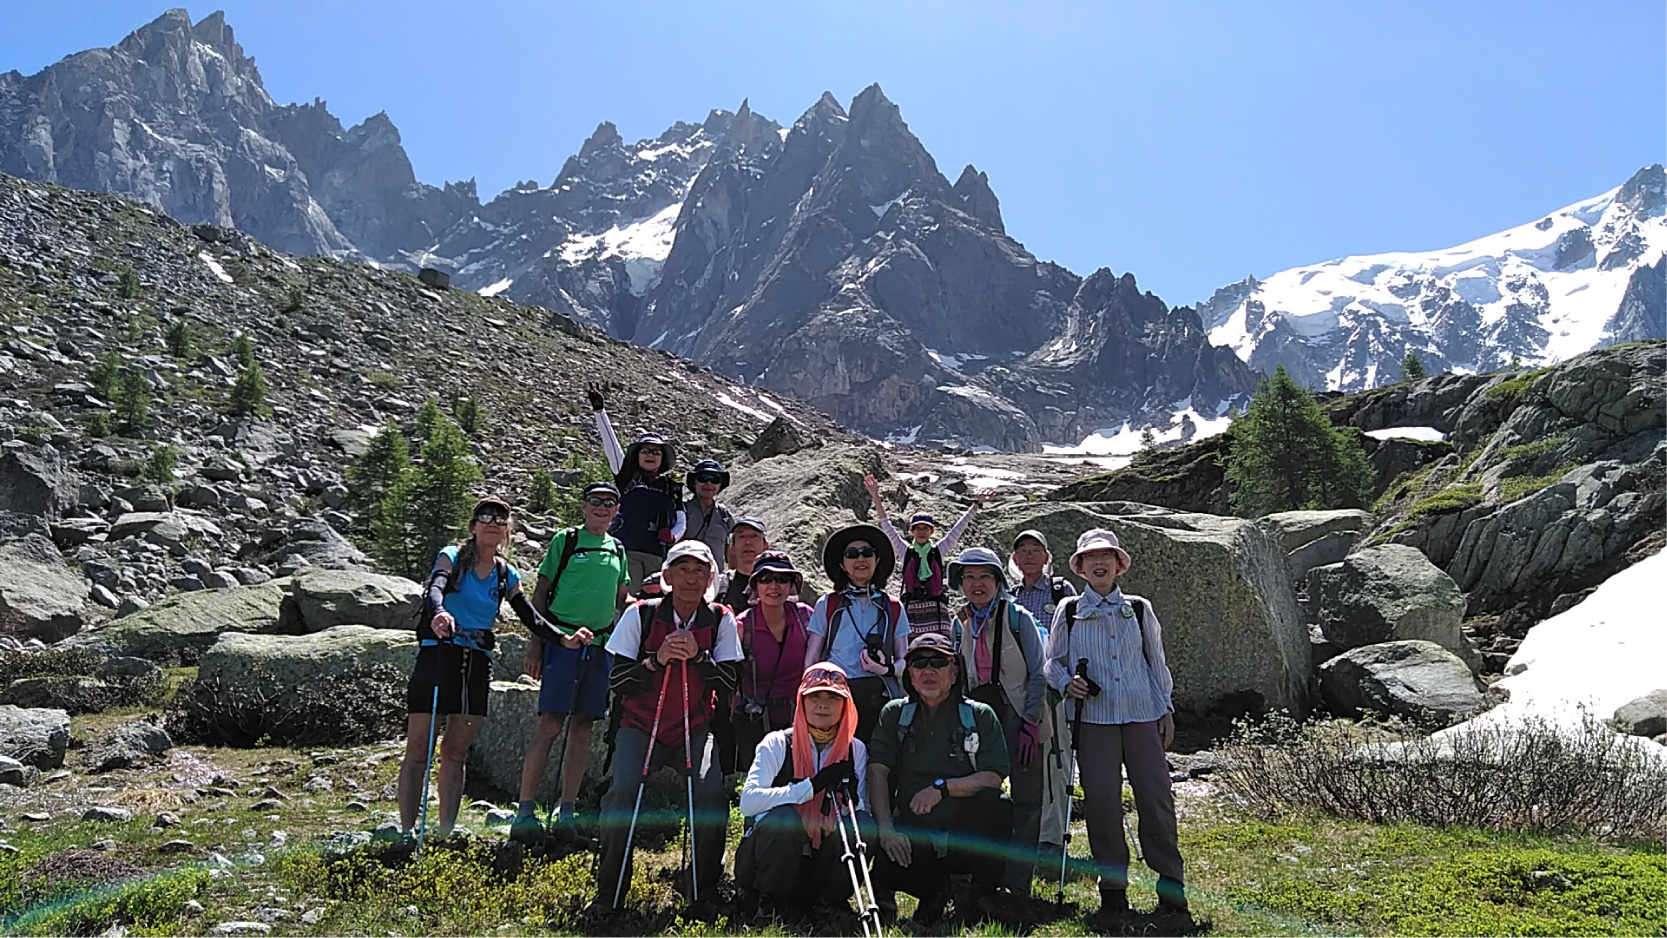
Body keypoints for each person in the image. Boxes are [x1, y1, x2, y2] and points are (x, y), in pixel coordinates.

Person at [398, 496, 573, 841]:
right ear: (473, 526)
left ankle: (445, 832)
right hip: (440, 653)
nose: (493, 522)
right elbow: (436, 587)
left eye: (500, 518)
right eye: (485, 516)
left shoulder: (505, 573)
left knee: (456, 751)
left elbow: (528, 615)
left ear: (507, 530)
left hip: (476, 661)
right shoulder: (452, 557)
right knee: (420, 748)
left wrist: (562, 638)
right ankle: (406, 831)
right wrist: (439, 613)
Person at [1043, 529, 1187, 920]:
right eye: (1091, 558)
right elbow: (1052, 662)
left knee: (1156, 799)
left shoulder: (1140, 608)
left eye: (1106, 556)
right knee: (1103, 804)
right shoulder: (1069, 611)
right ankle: (1113, 890)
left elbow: (1156, 662)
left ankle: (1171, 886)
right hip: (1093, 721)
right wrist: (1066, 683)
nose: (1099, 563)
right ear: (1081, 567)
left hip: (1143, 714)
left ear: (1118, 563)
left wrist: (1166, 709)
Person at [595, 540, 743, 906]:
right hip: (640, 725)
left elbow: (730, 682)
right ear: (668, 576)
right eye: (683, 570)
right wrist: (655, 661)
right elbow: (616, 681)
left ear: (710, 577)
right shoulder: (640, 614)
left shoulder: (721, 618)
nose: (691, 579)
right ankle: (608, 894)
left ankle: (703, 890)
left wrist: (699, 656)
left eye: (699, 571)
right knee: (622, 793)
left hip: (695, 727)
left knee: (710, 795)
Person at [510, 482, 631, 845]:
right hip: (561, 643)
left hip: (600, 646)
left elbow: (623, 600)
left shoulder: (618, 548)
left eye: (609, 503)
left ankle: (567, 811)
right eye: (595, 501)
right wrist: (537, 645)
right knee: (550, 724)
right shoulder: (566, 541)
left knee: (582, 728)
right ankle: (525, 811)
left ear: (616, 510)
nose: (601, 507)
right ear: (584, 506)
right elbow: (540, 596)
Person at [868, 632, 1012, 925]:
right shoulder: (894, 715)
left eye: (938, 662)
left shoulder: (979, 715)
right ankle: (934, 891)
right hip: (914, 834)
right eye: (919, 664)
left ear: (955, 670)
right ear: (909, 673)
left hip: (965, 834)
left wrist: (942, 789)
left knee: (998, 804)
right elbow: (877, 771)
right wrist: (886, 830)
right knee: (884, 866)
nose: (928, 671)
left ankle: (981, 895)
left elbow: (994, 776)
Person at [947, 546, 1049, 897]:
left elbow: (1039, 673)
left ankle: (1017, 883)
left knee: (1026, 801)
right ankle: (978, 877)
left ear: (998, 581)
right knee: (978, 796)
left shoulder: (1018, 617)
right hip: (977, 718)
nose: (977, 584)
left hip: (1019, 716)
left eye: (984, 576)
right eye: (969, 577)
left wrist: (1031, 723)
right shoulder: (959, 622)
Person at [735, 662, 871, 917]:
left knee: (863, 824)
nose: (823, 704)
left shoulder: (856, 750)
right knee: (784, 819)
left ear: (846, 705)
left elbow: (860, 806)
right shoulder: (776, 743)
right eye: (815, 696)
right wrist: (809, 789)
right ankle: (769, 903)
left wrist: (841, 809)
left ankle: (829, 903)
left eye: (833, 697)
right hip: (769, 857)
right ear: (802, 702)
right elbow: (748, 802)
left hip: (821, 856)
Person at [804, 524, 912, 743]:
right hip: (837, 691)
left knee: (879, 754)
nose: (860, 559)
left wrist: (887, 668)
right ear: (843, 565)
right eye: (851, 554)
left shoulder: (893, 606)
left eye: (867, 553)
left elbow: (905, 659)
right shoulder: (828, 604)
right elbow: (813, 657)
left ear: (877, 560)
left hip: (880, 693)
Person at [1006, 529, 1076, 862]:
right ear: (1015, 560)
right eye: (1023, 551)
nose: (1029, 556)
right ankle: (1025, 831)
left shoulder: (1062, 592)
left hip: (1055, 687)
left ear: (1047, 557)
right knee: (1028, 761)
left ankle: (1051, 836)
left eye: (1036, 550)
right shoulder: (1008, 596)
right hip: (1020, 689)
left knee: (1057, 759)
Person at [861, 474, 991, 640]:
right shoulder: (905, 551)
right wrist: (875, 496)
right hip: (911, 612)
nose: (921, 531)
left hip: (937, 612)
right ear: (911, 531)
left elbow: (958, 528)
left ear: (932, 532)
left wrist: (976, 505)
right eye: (917, 528)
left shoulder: (938, 551)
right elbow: (886, 526)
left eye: (925, 528)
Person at [588, 382, 684, 590]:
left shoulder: (671, 486)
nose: (650, 455)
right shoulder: (626, 475)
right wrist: (599, 411)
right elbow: (611, 446)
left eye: (656, 452)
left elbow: (681, 518)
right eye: (645, 451)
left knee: (652, 605)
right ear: (637, 455)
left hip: (657, 554)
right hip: (626, 548)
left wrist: (673, 535)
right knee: (625, 601)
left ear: (662, 459)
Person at [730, 551, 814, 776]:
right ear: (755, 586)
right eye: (765, 579)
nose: (773, 586)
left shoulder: (805, 617)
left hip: (801, 717)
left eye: (782, 579)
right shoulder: (742, 625)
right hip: (754, 720)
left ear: (792, 585)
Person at [682, 459, 737, 563]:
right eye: (703, 478)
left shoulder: (725, 515)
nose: (709, 483)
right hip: (684, 575)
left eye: (714, 479)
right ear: (694, 483)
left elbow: (732, 551)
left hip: (715, 576)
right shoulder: (681, 510)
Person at [715, 516, 769, 612]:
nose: (748, 542)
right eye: (742, 537)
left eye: (754, 536)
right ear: (732, 547)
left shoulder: (777, 582)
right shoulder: (720, 585)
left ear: (766, 545)